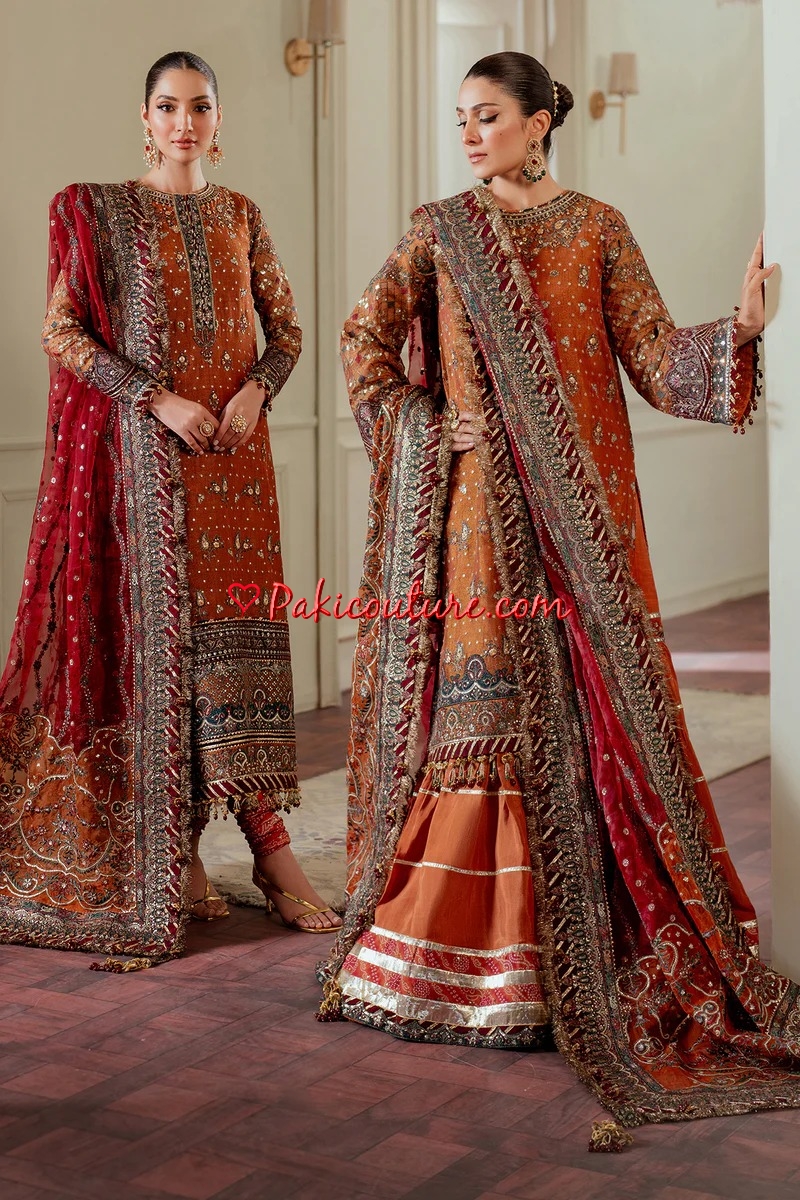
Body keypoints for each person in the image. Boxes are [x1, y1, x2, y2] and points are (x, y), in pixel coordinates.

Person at [320, 51, 800, 1131]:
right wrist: (427, 426)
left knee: (594, 718)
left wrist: (738, 329)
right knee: (485, 711)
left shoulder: (598, 229)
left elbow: (653, 357)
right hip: (477, 523)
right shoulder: (439, 231)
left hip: (586, 523)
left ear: (540, 123)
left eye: (487, 116)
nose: (468, 134)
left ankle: (576, 958)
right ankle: (461, 962)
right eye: (459, 118)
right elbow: (362, 340)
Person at [0, 50, 340, 967]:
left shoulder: (241, 215)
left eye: (199, 106)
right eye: (167, 106)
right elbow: (61, 330)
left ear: (219, 120)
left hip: (235, 465)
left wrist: (257, 391)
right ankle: (202, 853)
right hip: (144, 466)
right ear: (144, 119)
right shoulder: (99, 211)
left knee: (234, 652)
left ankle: (254, 852)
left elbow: (287, 331)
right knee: (165, 654)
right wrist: (156, 399)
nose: (184, 122)